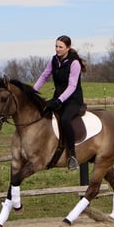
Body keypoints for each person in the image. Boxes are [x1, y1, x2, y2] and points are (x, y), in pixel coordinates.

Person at [33, 35, 86, 171]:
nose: (57, 49)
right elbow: (44, 76)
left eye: (60, 47)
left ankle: (72, 156)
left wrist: (59, 100)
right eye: (56, 46)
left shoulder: (74, 63)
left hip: (73, 100)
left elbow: (72, 86)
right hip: (58, 98)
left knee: (65, 119)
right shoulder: (54, 60)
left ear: (67, 48)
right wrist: (32, 92)